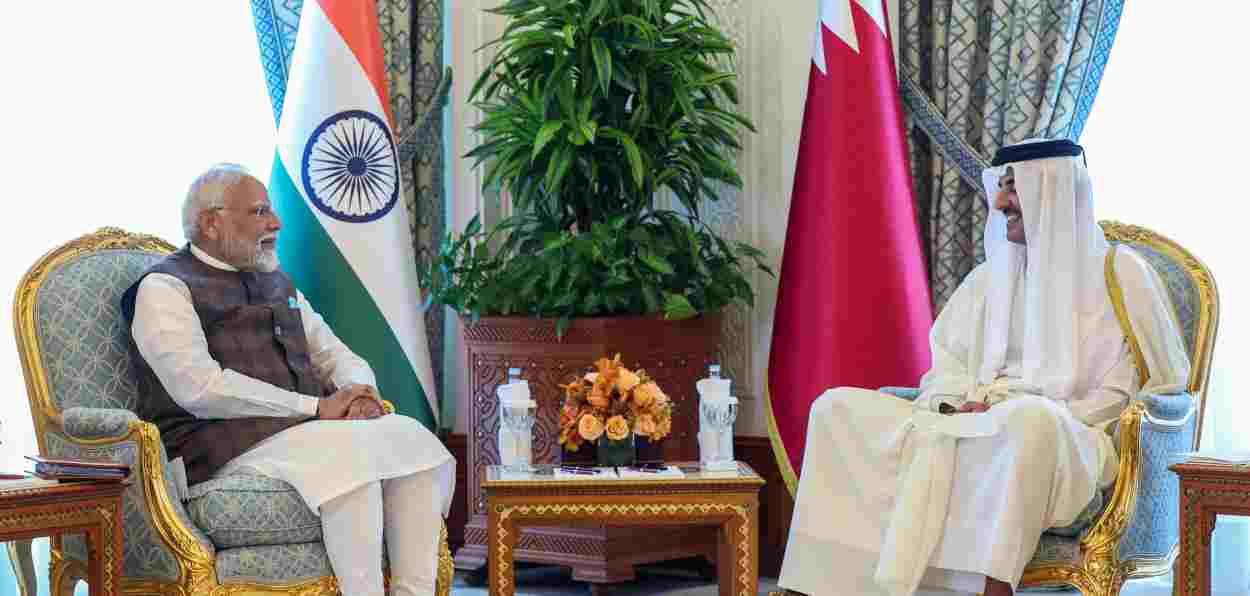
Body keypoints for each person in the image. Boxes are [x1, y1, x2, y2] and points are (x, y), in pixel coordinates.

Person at [777, 139, 1191, 596]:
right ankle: (823, 586)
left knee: (1028, 420)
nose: (999, 202)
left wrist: (1026, 410)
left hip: (1072, 439)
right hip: (973, 423)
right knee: (836, 409)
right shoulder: (988, 278)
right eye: (1002, 187)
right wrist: (958, 404)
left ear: (1050, 190)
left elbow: (1159, 384)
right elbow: (947, 364)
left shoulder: (1121, 272)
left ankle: (991, 587)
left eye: (1013, 188)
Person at [120, 163, 454, 596]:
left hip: (302, 434)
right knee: (348, 458)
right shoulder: (165, 287)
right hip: (217, 445)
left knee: (409, 438)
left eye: (270, 211)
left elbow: (334, 352)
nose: (276, 222)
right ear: (211, 222)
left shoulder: (276, 281)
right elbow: (199, 388)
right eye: (259, 212)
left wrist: (359, 392)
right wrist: (315, 408)